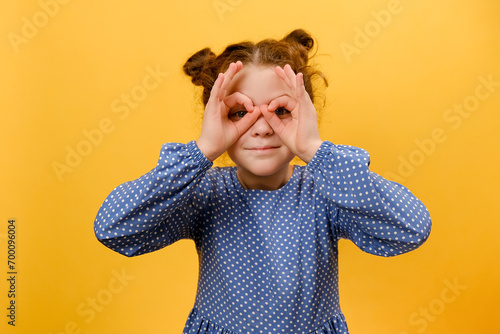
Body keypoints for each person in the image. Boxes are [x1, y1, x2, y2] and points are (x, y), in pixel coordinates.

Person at [94, 29, 432, 334]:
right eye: (240, 113)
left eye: (281, 111)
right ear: (216, 118)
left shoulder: (327, 189)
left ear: (307, 113)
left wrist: (314, 149)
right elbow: (114, 227)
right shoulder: (206, 193)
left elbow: (411, 228)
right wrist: (204, 149)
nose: (262, 126)